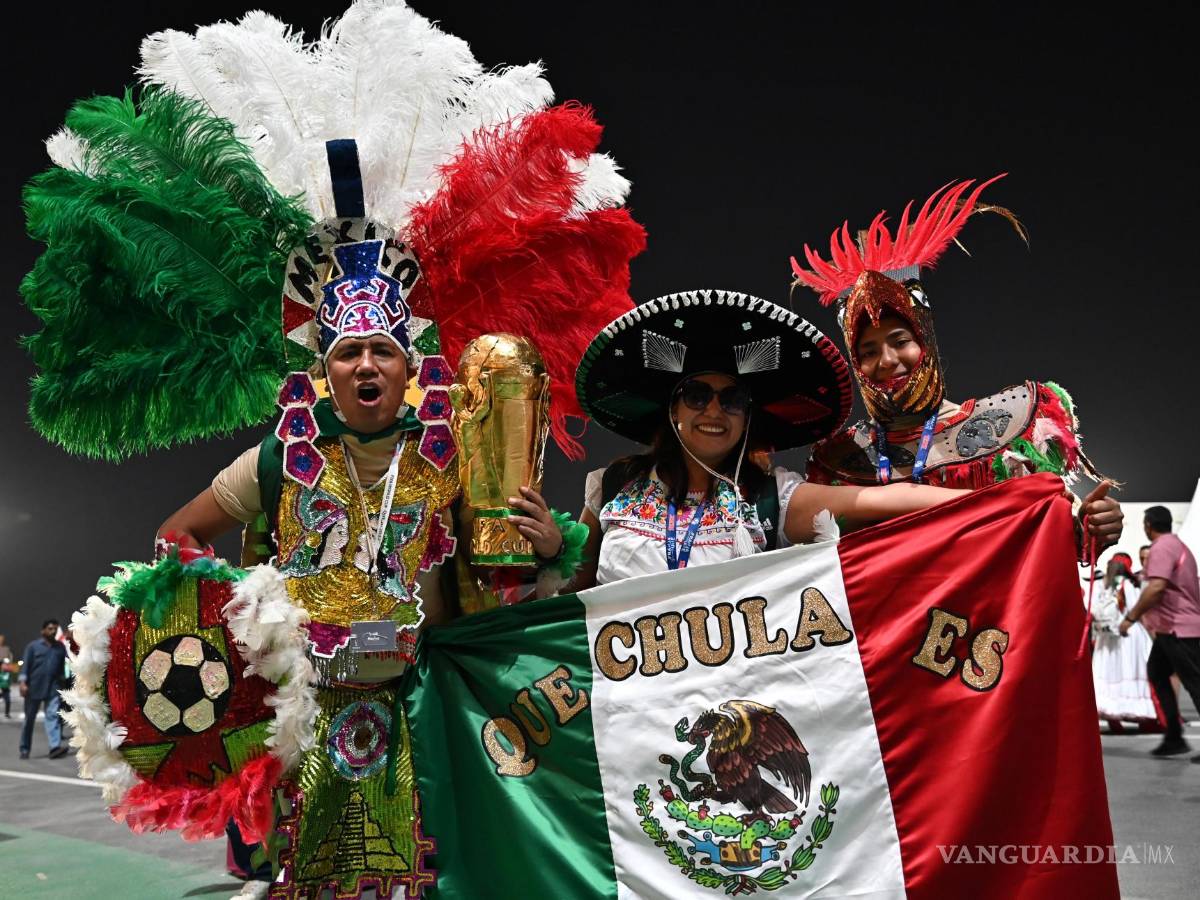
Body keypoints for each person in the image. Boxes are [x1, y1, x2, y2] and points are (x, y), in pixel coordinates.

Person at [20, 6, 644, 896]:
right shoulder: (277, 457)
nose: (363, 364)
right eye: (346, 350)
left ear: (407, 362)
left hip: (425, 708)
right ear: (324, 363)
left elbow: (510, 578)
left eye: (380, 350)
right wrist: (246, 626)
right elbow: (177, 539)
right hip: (308, 720)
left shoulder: (454, 458)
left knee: (425, 879)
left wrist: (550, 545)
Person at [790, 177, 1123, 553]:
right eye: (867, 351)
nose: (886, 360)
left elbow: (1053, 540)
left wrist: (1091, 530)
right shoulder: (838, 461)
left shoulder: (1009, 429)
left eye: (900, 342)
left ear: (925, 342)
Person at [571, 289, 969, 587]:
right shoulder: (614, 487)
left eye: (732, 399)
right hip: (626, 697)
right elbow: (565, 605)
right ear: (673, 409)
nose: (713, 411)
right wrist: (555, 553)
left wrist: (1004, 500)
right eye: (696, 396)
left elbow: (880, 501)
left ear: (747, 418)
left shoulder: (770, 497)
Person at [1119, 506, 1200, 760]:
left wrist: (1130, 618)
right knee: (1157, 672)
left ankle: (1174, 737)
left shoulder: (1161, 547)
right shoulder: (1178, 546)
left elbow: (1157, 587)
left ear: (1148, 524)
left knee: (1195, 684)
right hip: (1173, 627)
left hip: (1177, 628)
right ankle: (1174, 737)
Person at [1089, 553, 1158, 731]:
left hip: (1106, 637)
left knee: (1108, 675)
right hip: (1127, 635)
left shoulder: (1100, 586)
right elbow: (1137, 608)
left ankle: (1113, 719)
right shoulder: (1127, 585)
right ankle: (1144, 719)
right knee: (1132, 671)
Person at [17, 619, 68, 760]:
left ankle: (54, 748)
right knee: (29, 720)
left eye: (55, 629)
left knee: (53, 716)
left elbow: (64, 668)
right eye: (50, 629)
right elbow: (25, 666)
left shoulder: (60, 648)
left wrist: (64, 684)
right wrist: (22, 683)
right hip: (33, 688)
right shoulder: (33, 647)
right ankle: (24, 749)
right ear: (43, 631)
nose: (53, 632)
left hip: (53, 688)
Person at [0, 634, 13, 718]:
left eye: (2, 639)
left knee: (8, 700)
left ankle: (7, 713)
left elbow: (10, 658)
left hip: (5, 685)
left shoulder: (6, 649)